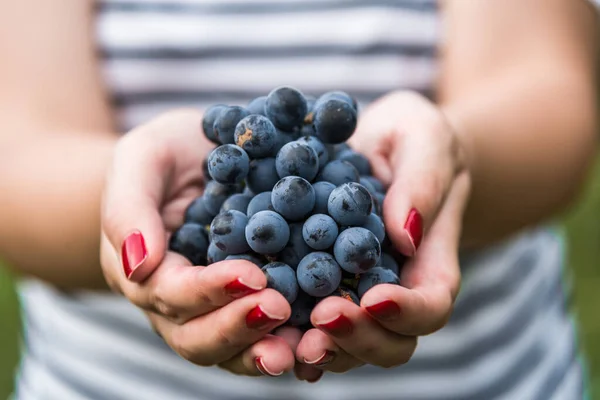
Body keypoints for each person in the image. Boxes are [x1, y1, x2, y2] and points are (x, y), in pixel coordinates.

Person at [1, 0, 598, 399]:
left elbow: (551, 103)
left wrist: (457, 153)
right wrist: (124, 218)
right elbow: (17, 163)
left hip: (488, 377)